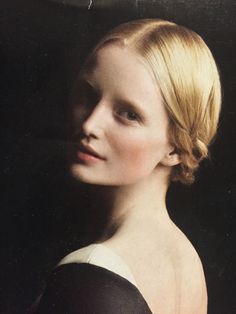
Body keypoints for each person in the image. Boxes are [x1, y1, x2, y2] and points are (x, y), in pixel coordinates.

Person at [35, 18, 221, 314]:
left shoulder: (92, 271)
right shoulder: (187, 260)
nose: (91, 125)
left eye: (128, 113)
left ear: (174, 146)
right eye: (90, 95)